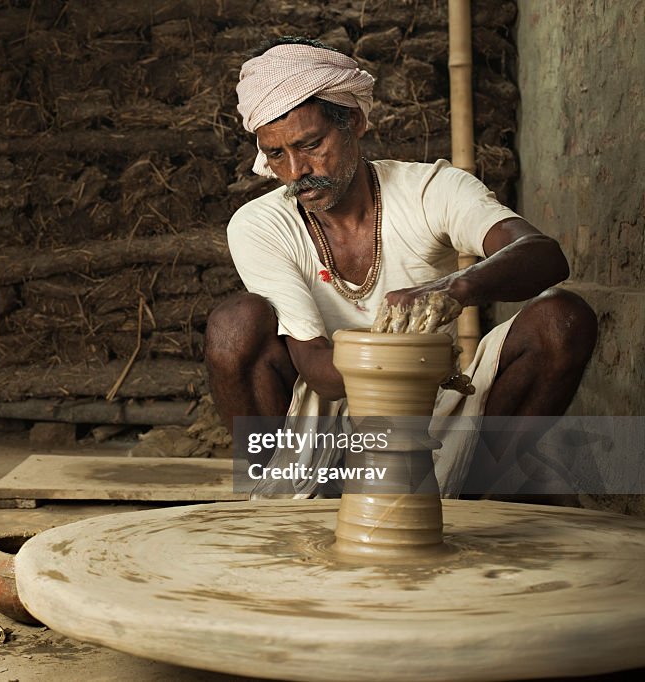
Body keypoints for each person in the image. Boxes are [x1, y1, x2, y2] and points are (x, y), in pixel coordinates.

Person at [205, 37, 597, 497]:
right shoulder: (260, 225)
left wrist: (454, 288)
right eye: (275, 154)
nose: (295, 171)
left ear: (351, 121)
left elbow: (543, 255)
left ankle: (472, 498)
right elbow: (320, 374)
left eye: (310, 144)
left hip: (432, 414)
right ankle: (276, 498)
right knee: (234, 325)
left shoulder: (431, 189)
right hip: (325, 434)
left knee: (562, 318)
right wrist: (397, 361)